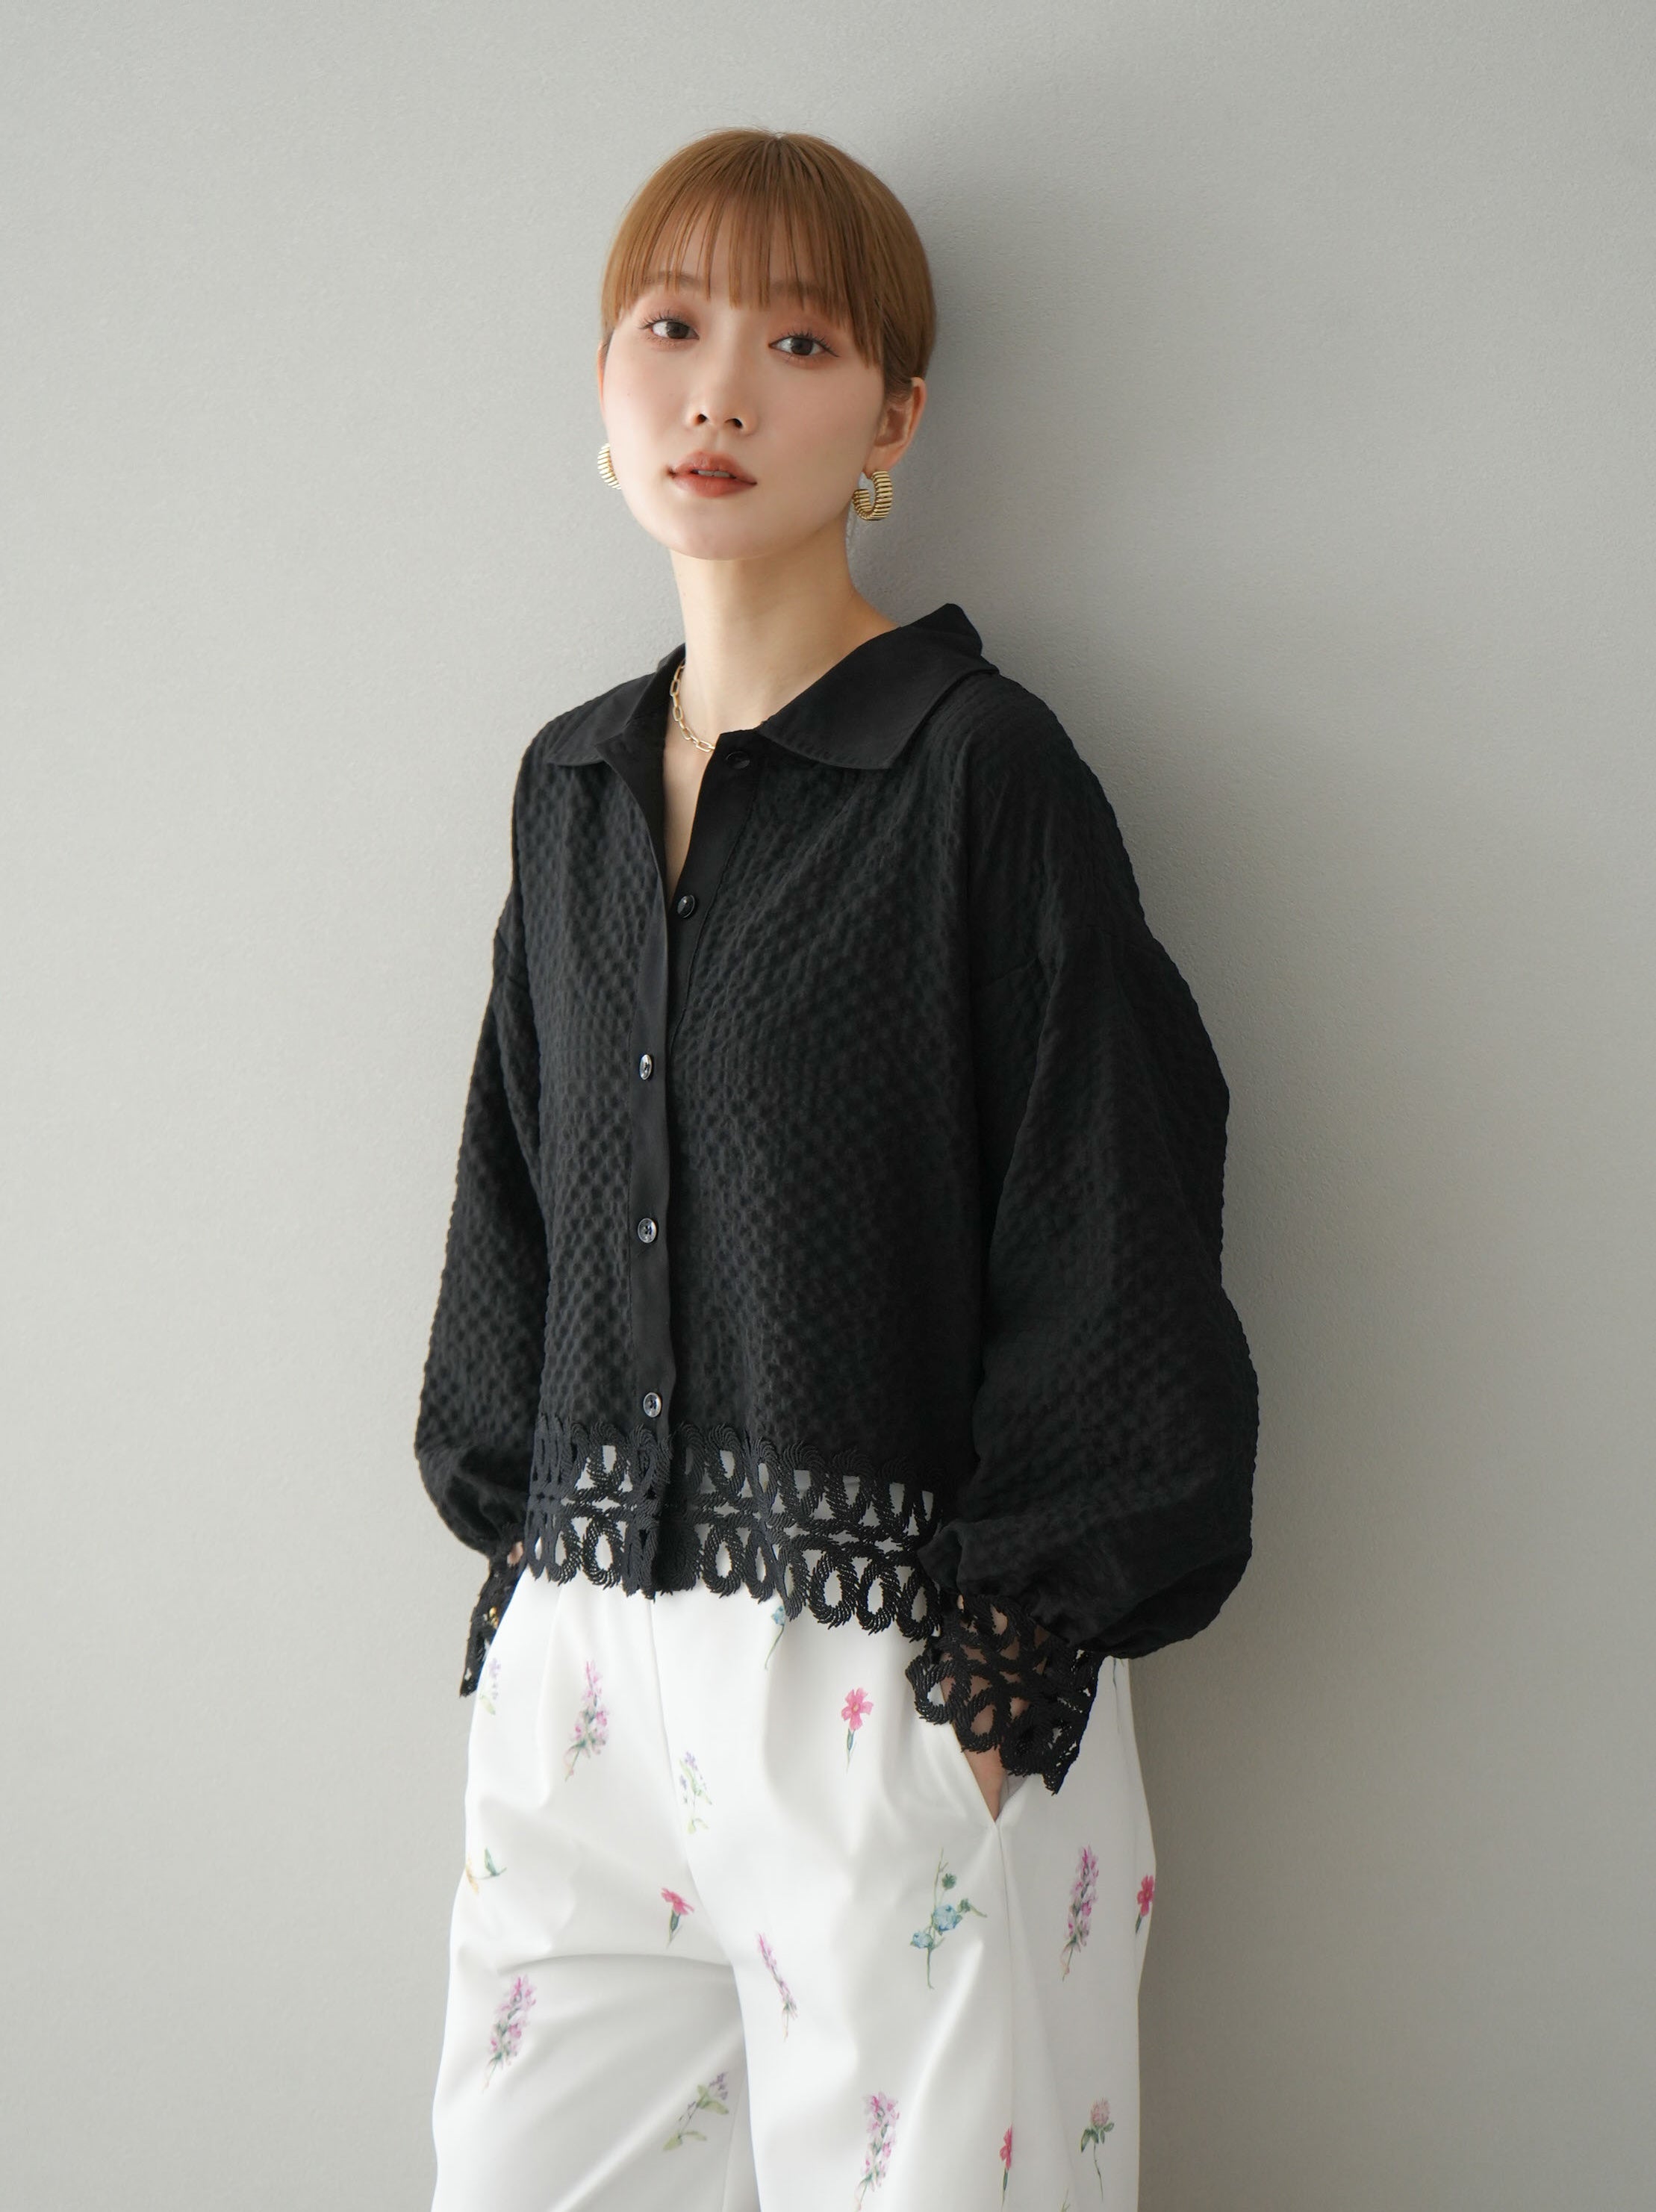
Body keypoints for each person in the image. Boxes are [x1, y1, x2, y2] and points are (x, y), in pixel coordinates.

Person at [416, 125, 1258, 2212]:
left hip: (895, 1668)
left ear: (891, 423)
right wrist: (524, 1589)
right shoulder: (569, 787)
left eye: (796, 344)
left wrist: (998, 1678)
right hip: (584, 1677)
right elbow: (514, 1192)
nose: (718, 391)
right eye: (670, 326)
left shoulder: (978, 772)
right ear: (603, 385)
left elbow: (1113, 1200)